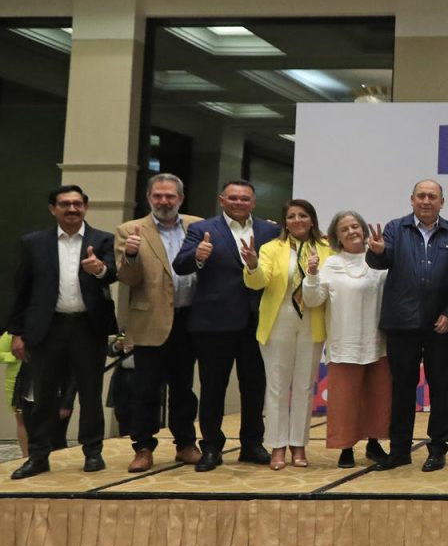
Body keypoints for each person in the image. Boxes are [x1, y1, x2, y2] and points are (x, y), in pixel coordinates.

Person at [7, 185, 117, 479]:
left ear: (86, 207)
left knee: (91, 393)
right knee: (43, 396)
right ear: (52, 208)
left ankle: (92, 452)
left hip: (88, 327)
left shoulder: (102, 239)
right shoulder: (33, 243)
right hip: (47, 328)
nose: (72, 209)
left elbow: (115, 272)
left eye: (77, 204)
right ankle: (39, 456)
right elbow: (22, 290)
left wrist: (99, 269)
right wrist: (17, 333)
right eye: (65, 204)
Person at [173, 179, 280, 471]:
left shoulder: (270, 230)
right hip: (213, 323)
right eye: (232, 198)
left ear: (253, 202)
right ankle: (211, 447)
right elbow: (180, 265)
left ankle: (252, 444)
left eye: (245, 198)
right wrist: (197, 256)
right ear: (222, 200)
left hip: (257, 323)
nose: (238, 203)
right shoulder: (201, 229)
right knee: (212, 388)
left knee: (255, 386)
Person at [365, 179, 448, 472]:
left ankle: (438, 448)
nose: (426, 201)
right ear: (412, 200)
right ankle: (399, 450)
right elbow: (379, 263)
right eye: (421, 196)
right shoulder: (395, 229)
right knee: (402, 388)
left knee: (441, 387)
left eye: (432, 196)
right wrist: (379, 251)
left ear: (442, 202)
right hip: (402, 323)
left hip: (440, 324)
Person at [114, 172, 201, 472]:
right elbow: (127, 278)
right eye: (158, 196)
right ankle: (142, 448)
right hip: (149, 320)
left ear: (181, 198)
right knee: (146, 389)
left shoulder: (197, 225)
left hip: (189, 320)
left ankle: (186, 444)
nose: (164, 201)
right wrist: (132, 254)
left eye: (170, 196)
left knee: (184, 388)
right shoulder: (130, 230)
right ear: (149, 198)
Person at [242, 198, 331, 470]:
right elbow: (258, 282)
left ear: (312, 219)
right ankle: (278, 446)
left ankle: (299, 446)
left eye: (302, 215)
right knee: (278, 386)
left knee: (304, 387)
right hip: (279, 320)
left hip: (312, 322)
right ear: (285, 222)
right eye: (291, 216)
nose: (297, 220)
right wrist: (253, 265)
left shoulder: (328, 250)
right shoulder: (272, 248)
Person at [303, 210, 389, 469]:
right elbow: (313, 300)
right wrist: (312, 274)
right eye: (345, 229)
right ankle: (346, 447)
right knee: (345, 399)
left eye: (355, 226)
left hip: (378, 340)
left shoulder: (379, 261)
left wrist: (382, 253)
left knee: (378, 396)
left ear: (363, 230)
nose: (351, 231)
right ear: (337, 237)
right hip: (344, 341)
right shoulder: (330, 263)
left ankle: (375, 443)